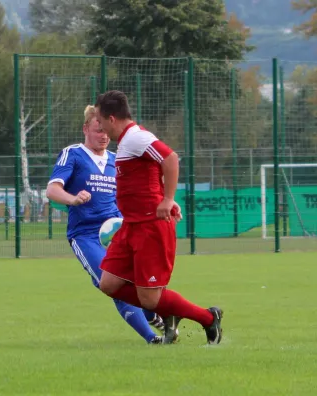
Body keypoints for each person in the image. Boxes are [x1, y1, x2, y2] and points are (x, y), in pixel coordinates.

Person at [94, 90, 223, 345]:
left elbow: (170, 158)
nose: (98, 126)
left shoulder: (136, 138)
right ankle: (169, 312)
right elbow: (152, 172)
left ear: (111, 118)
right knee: (108, 284)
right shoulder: (128, 142)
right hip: (131, 226)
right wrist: (165, 196)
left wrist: (167, 200)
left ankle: (209, 319)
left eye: (99, 120)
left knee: (149, 300)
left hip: (150, 228)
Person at [46, 105, 166, 345]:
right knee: (112, 285)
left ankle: (154, 314)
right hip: (86, 235)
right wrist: (73, 199)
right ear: (85, 129)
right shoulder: (73, 154)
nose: (102, 135)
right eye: (96, 130)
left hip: (119, 232)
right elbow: (52, 189)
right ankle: (153, 338)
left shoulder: (116, 159)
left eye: (105, 131)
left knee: (138, 281)